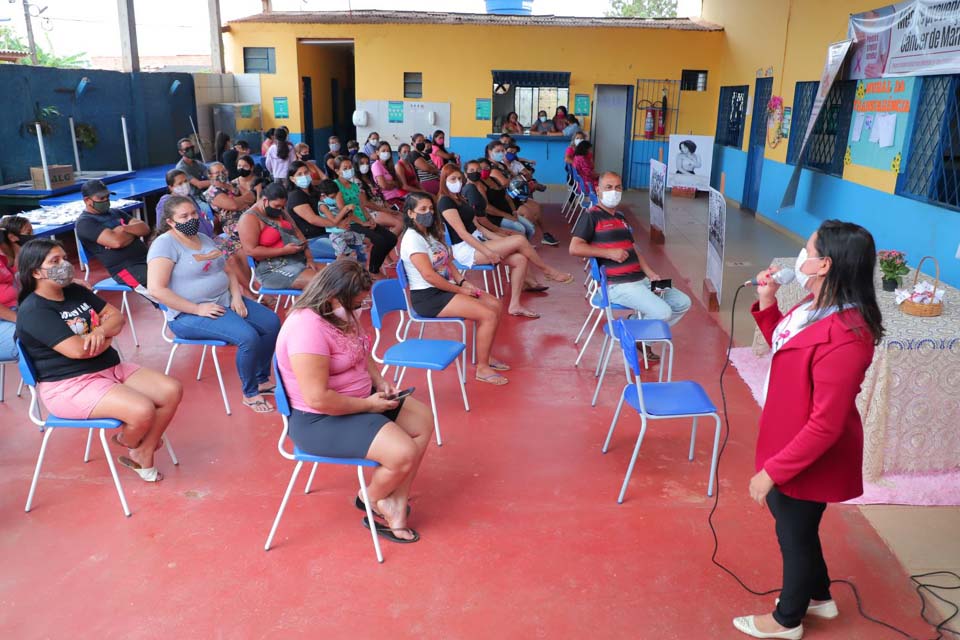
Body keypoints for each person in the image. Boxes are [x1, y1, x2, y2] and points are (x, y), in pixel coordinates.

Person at [734, 220, 885, 640]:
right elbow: (788, 351)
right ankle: (820, 597)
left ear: (825, 265)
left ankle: (787, 620)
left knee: (793, 533)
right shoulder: (812, 305)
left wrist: (772, 472)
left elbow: (826, 424)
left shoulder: (850, 335)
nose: (801, 257)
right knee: (798, 527)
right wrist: (767, 302)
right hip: (788, 432)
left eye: (808, 250)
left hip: (811, 451)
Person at [275, 260, 434, 543]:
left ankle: (391, 499)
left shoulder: (340, 312)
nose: (359, 309)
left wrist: (380, 381)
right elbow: (318, 398)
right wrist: (371, 405)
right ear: (334, 295)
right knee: (403, 453)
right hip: (320, 420)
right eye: (357, 303)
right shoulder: (306, 328)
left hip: (359, 401)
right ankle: (372, 497)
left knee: (423, 420)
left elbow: (361, 351)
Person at [17, 238, 182, 482]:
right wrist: (106, 334)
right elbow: (78, 351)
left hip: (110, 368)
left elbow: (116, 317)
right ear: (36, 272)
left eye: (64, 258)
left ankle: (141, 449)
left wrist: (100, 332)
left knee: (171, 390)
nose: (64, 264)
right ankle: (132, 441)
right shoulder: (34, 311)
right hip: (70, 385)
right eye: (55, 261)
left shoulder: (75, 291)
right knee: (143, 410)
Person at [148, 196, 281, 414]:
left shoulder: (203, 238)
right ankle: (250, 393)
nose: (192, 219)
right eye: (184, 216)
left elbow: (226, 269)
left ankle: (262, 379)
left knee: (271, 323)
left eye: (193, 213)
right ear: (170, 221)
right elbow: (156, 290)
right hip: (188, 314)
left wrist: (237, 296)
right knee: (247, 337)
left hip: (225, 300)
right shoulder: (164, 245)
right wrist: (197, 309)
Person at [569, 172, 691, 360]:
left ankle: (643, 340)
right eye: (608, 187)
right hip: (618, 285)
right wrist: (609, 253)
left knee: (683, 302)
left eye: (618, 187)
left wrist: (651, 274)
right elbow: (574, 248)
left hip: (641, 280)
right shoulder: (591, 217)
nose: (614, 191)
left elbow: (634, 250)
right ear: (598, 190)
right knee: (663, 312)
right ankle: (634, 326)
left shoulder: (620, 217)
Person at [398, 192, 511, 386]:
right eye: (422, 210)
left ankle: (486, 355)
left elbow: (448, 262)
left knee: (495, 304)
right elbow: (429, 276)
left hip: (446, 288)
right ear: (410, 213)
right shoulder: (412, 239)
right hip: (429, 297)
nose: (429, 213)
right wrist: (459, 291)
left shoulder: (429, 233)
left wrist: (463, 282)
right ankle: (482, 369)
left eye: (431, 209)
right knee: (488, 314)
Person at [439, 165, 568, 318]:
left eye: (459, 178)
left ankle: (515, 306)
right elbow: (462, 233)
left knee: (520, 259)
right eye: (453, 179)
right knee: (520, 240)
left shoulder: (461, 199)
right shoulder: (445, 202)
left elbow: (479, 227)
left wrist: (502, 239)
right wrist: (489, 252)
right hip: (467, 249)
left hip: (479, 241)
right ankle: (547, 270)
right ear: (444, 181)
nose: (457, 182)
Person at [75, 180, 154, 296]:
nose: (106, 201)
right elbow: (117, 242)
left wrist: (123, 229)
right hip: (126, 270)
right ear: (87, 200)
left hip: (147, 259)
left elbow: (144, 228)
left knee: (175, 273)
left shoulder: (116, 213)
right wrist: (132, 231)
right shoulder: (85, 223)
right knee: (159, 288)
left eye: (107, 197)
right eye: (101, 199)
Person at [238, 182, 318, 290]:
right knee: (320, 282)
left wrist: (309, 259)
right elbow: (250, 251)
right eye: (277, 206)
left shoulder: (280, 212)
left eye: (283, 206)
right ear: (265, 200)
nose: (280, 209)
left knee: (337, 277)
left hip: (296, 260)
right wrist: (284, 251)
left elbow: (299, 234)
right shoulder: (249, 218)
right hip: (271, 270)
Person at [486, 142, 555, 246]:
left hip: (514, 196)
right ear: (489, 152)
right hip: (505, 199)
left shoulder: (501, 165)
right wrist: (516, 181)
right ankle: (523, 243)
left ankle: (544, 235)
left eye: (502, 151)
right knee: (528, 214)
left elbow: (516, 177)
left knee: (536, 207)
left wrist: (521, 181)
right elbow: (507, 183)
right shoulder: (490, 168)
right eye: (497, 151)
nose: (501, 153)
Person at [334, 156, 404, 236]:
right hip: (371, 212)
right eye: (362, 163)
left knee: (402, 218)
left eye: (367, 163)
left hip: (371, 212)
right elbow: (365, 203)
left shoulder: (365, 180)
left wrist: (386, 207)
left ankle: (390, 241)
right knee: (398, 224)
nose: (365, 166)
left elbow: (377, 196)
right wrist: (384, 211)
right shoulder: (355, 182)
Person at [285, 161, 339, 261]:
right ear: (292, 179)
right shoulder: (295, 196)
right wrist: (336, 223)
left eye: (306, 172)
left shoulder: (315, 191)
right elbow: (312, 219)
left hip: (328, 232)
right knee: (344, 251)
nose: (304, 176)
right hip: (312, 239)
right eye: (299, 174)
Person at [316, 180, 366, 260]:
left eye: (335, 197)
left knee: (365, 242)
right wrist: (345, 209)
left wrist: (361, 222)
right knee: (343, 255)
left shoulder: (333, 203)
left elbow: (347, 217)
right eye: (332, 197)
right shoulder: (322, 206)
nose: (335, 199)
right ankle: (338, 268)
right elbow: (334, 221)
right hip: (336, 234)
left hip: (346, 231)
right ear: (323, 196)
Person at [0, 222, 23, 360]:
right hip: (9, 319)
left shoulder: (3, 254)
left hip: (16, 310)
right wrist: (21, 320)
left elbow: (23, 276)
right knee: (41, 340)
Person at [372, 142, 407, 207]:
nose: (386, 153)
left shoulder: (389, 165)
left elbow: (399, 184)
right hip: (388, 200)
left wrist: (390, 182)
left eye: (388, 151)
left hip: (398, 196)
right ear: (377, 152)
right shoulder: (376, 165)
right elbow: (384, 186)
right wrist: (393, 183)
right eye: (383, 151)